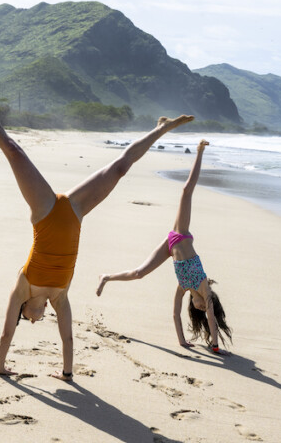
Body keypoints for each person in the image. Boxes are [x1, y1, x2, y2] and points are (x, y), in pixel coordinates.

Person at [0, 72, 194, 381]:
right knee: (120, 169)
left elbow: (4, 335)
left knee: (13, 149)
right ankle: (160, 128)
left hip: (44, 211)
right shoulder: (60, 299)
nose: (34, 321)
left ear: (24, 308)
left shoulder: (21, 287)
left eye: (28, 319)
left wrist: (0, 367)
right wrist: (67, 374)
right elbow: (67, 339)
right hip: (74, 212)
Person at [96, 140, 232, 354]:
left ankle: (107, 277)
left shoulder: (183, 287)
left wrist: (181, 341)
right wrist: (215, 347)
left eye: (201, 309)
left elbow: (176, 315)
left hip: (170, 247)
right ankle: (199, 151)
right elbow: (212, 319)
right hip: (181, 234)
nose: (202, 308)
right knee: (187, 190)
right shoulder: (203, 286)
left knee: (139, 273)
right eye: (205, 306)